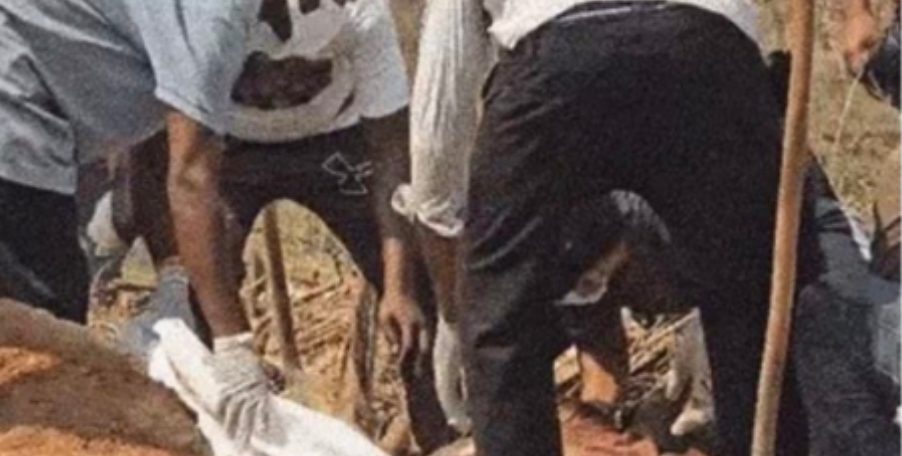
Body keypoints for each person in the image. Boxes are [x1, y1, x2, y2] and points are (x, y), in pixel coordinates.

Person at [0, 0, 422, 449]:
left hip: (47, 130)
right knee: (45, 341)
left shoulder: (346, 16)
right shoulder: (217, 13)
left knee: (49, 341)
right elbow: (187, 176)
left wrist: (401, 286)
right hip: (16, 114)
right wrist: (233, 347)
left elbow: (392, 148)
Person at [395, 0, 813, 453]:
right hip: (706, 47)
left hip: (555, 62)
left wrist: (464, 309)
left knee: (503, 325)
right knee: (750, 297)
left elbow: (436, 132)